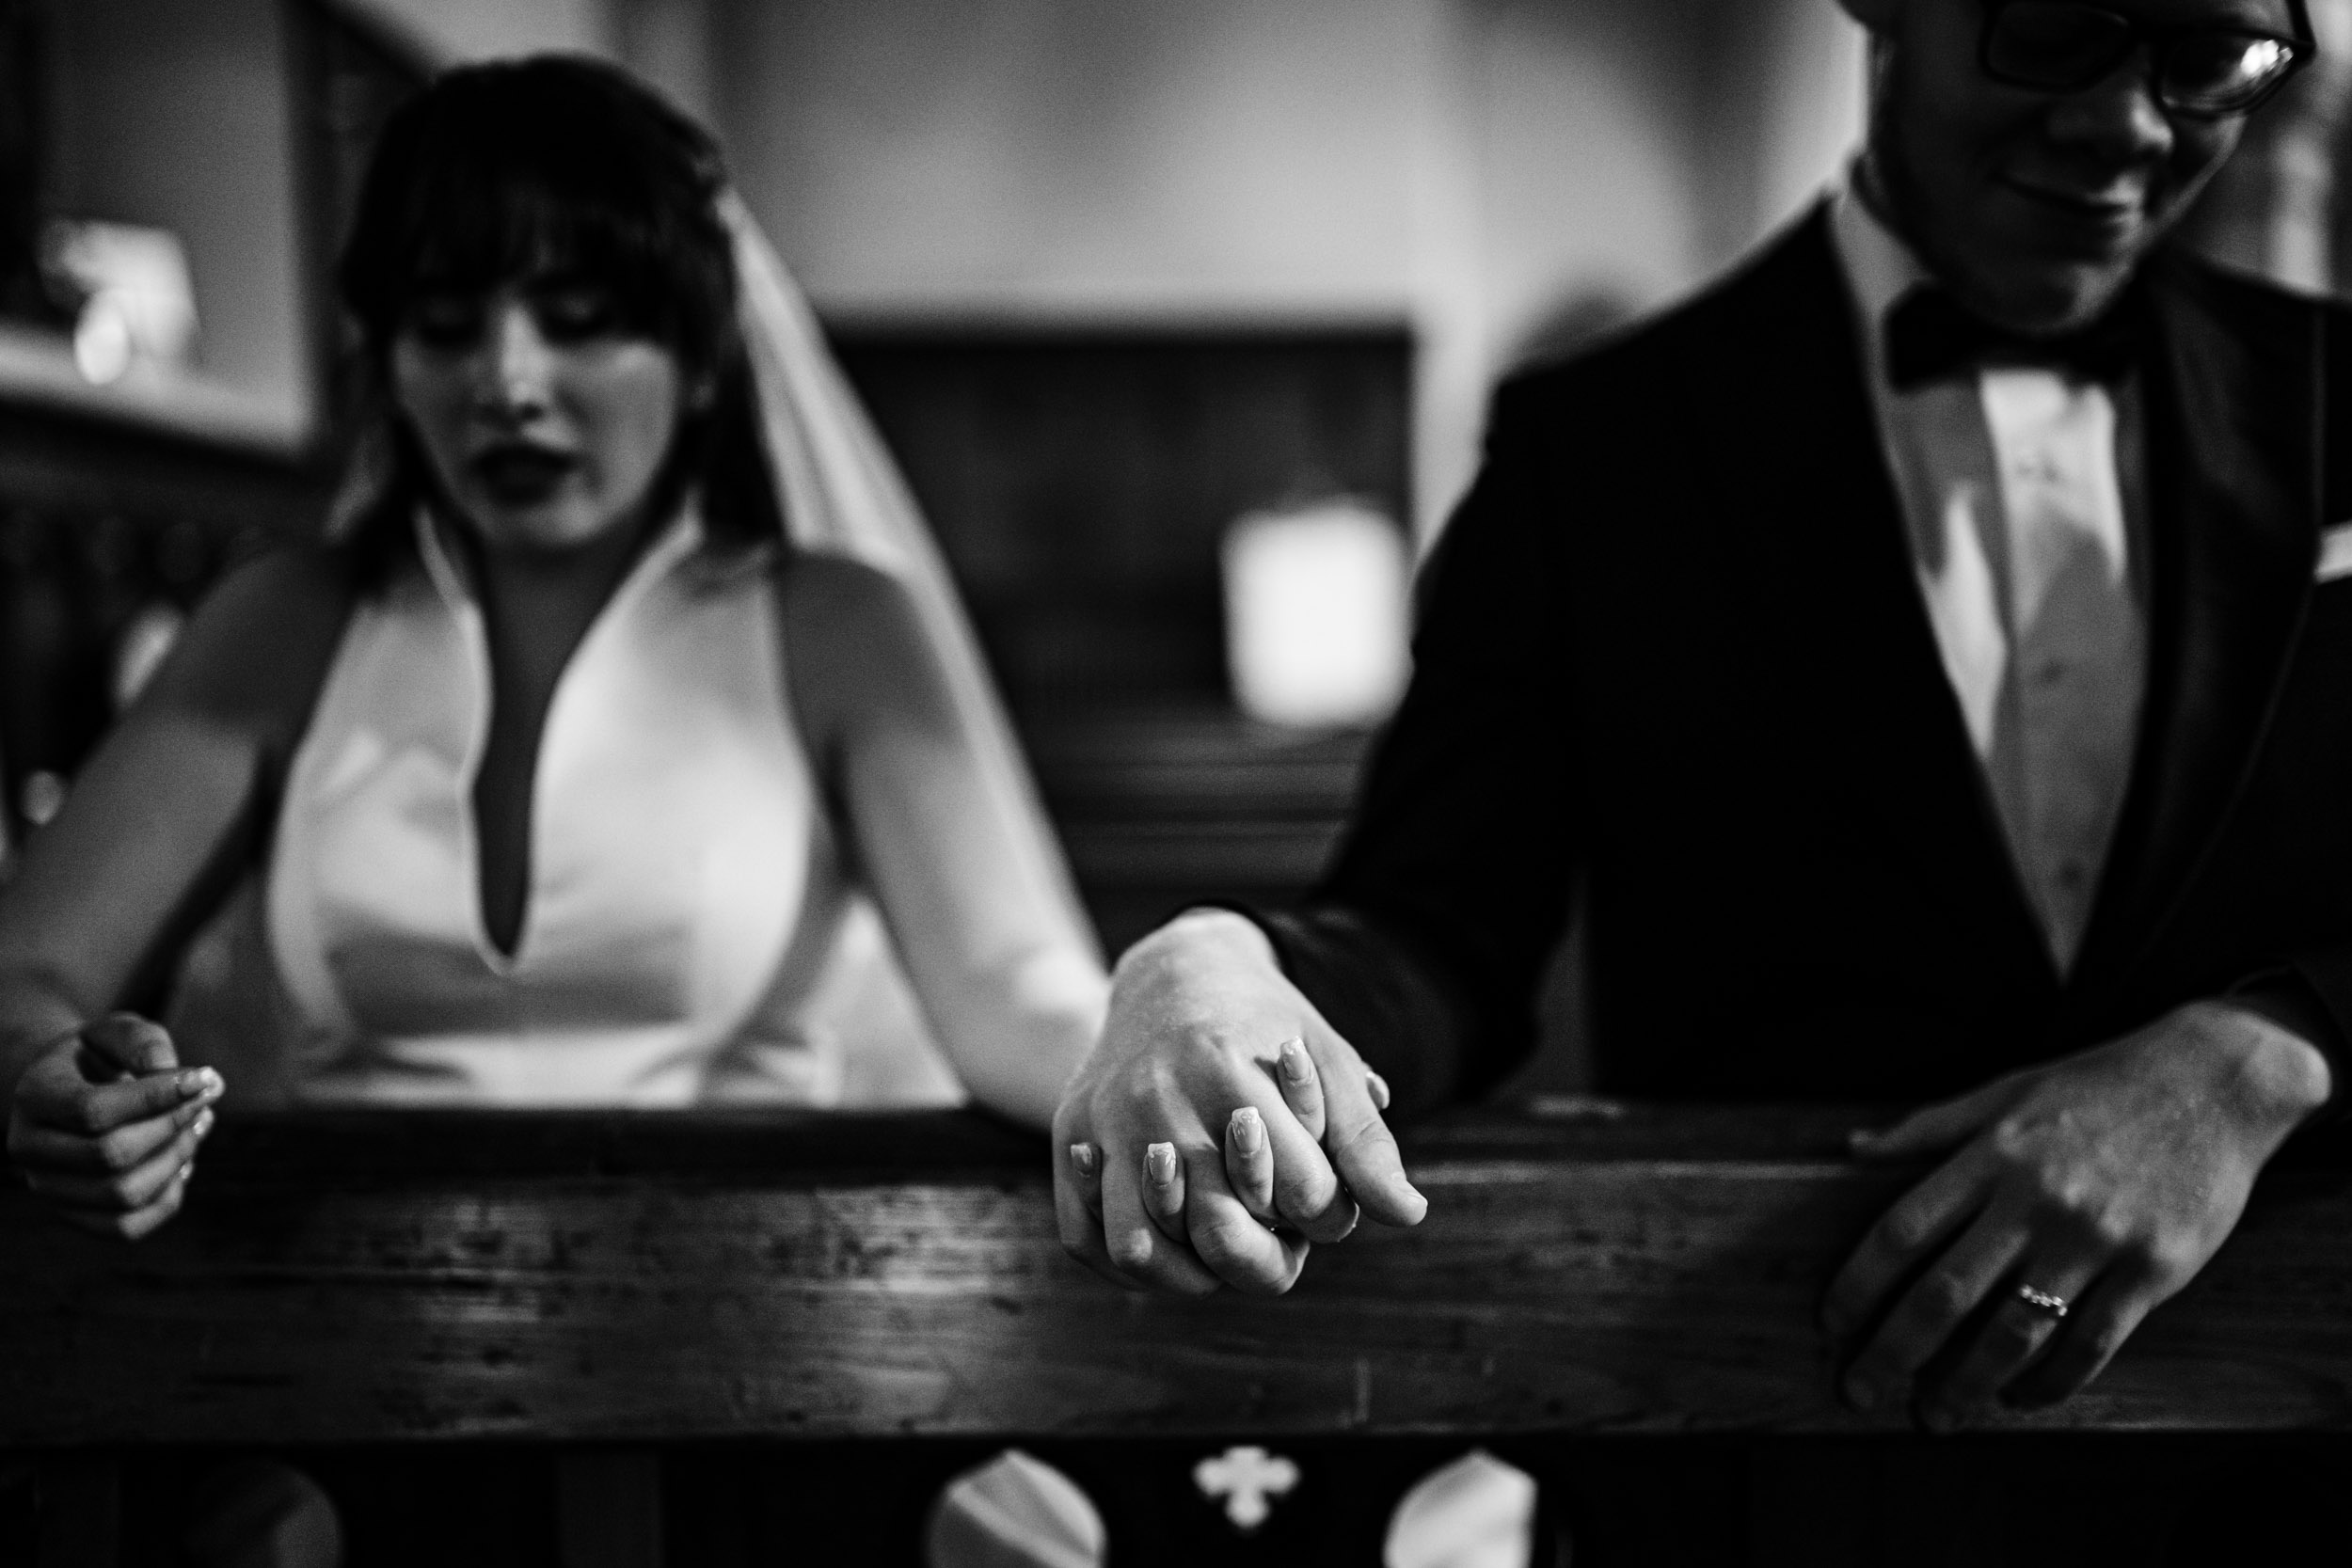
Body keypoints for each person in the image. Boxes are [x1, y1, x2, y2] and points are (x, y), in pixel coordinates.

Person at [1058, 0, 2348, 1449]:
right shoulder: (1591, 449)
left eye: (2213, 55)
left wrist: (2275, 1047)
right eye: (2050, 26)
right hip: (1775, 1418)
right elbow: (1433, 942)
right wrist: (1207, 961)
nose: (2129, 121)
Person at [0, 57, 1100, 1240]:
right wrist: (44, 1075)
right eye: (445, 324)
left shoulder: (835, 624)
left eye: (578, 322)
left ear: (698, 361)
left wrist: (1159, 1034)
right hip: (334, 1330)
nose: (508, 382)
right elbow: (29, 973)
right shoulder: (284, 623)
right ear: (387, 357)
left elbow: (1008, 987)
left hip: (762, 1313)